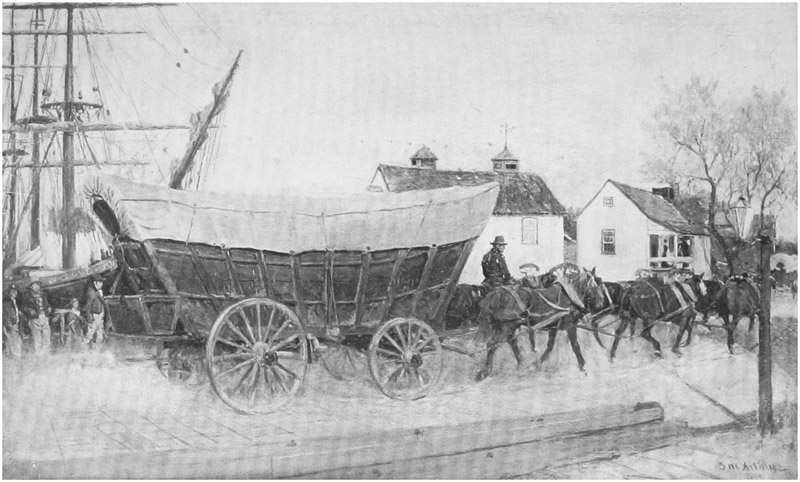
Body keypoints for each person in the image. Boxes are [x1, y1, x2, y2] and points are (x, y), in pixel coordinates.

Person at [22, 281, 51, 355]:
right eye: (35, 285)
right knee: (37, 336)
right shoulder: (28, 296)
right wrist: (30, 310)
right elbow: (24, 307)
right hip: (35, 318)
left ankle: (46, 352)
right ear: (31, 286)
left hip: (44, 317)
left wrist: (48, 308)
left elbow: (46, 304)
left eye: (38, 285)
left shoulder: (43, 294)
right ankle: (39, 353)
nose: (37, 287)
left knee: (46, 335)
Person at [83, 274, 106, 345]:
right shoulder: (91, 292)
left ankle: (98, 349)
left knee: (100, 333)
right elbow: (88, 307)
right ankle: (83, 348)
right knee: (89, 334)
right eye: (100, 282)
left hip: (100, 315)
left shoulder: (99, 291)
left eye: (102, 282)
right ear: (95, 283)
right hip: (94, 316)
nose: (101, 284)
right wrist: (90, 319)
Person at [2, 285, 23, 361]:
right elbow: (5, 315)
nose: (14, 293)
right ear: (9, 292)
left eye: (15, 291)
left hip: (15, 324)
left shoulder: (13, 301)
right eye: (12, 291)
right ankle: (15, 358)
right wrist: (9, 325)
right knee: (13, 341)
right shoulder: (7, 302)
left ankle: (15, 358)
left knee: (14, 341)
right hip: (11, 325)